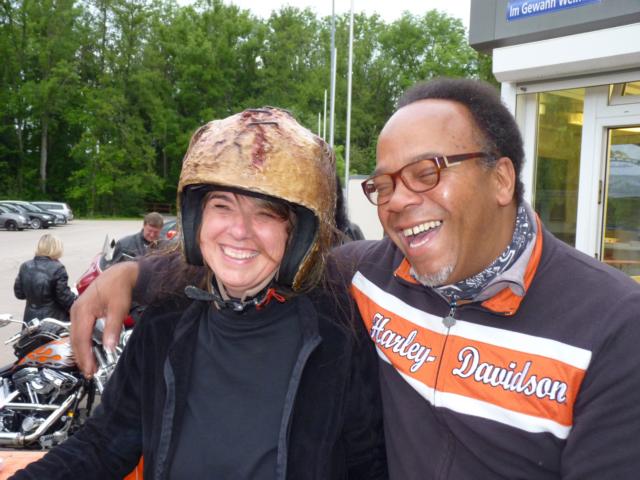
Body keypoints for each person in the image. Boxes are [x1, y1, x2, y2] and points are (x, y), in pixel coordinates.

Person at [69, 78, 640, 479]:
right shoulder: (370, 275)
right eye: (384, 184)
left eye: (426, 173)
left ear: (501, 179)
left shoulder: (612, 325)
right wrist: (132, 274)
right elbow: (246, 257)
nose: (399, 201)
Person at [11, 107, 386, 480]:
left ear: (297, 233)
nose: (239, 230)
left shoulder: (337, 334)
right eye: (222, 206)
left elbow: (368, 464)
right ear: (196, 219)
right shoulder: (165, 321)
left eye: (266, 214)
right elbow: (104, 444)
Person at [13, 233, 76, 324]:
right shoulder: (58, 268)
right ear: (57, 248)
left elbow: (19, 294)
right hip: (53, 320)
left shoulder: (25, 266)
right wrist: (75, 297)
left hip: (30, 320)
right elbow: (64, 298)